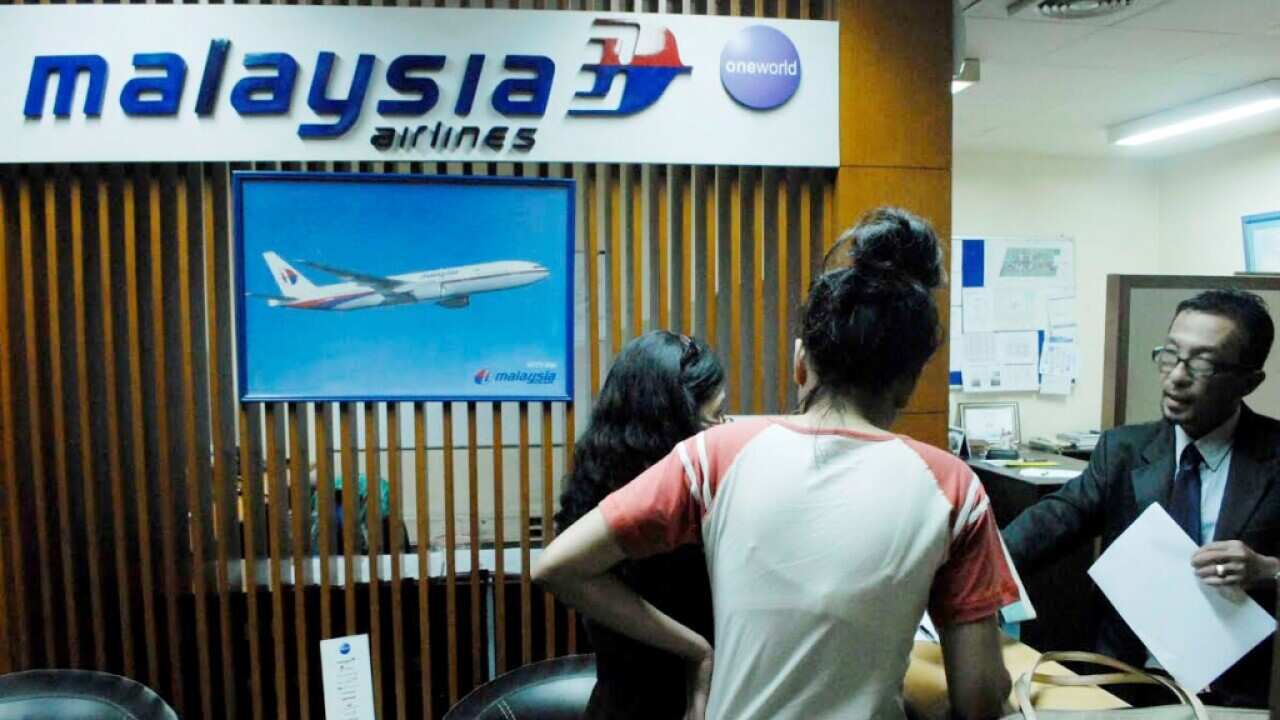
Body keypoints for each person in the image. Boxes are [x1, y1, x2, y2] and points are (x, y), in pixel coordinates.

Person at [534, 208, 1018, 720]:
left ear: (800, 361)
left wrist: (700, 653)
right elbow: (979, 701)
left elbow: (557, 566)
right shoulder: (952, 488)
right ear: (910, 378)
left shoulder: (714, 456)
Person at [1003, 288, 1280, 708]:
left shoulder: (1274, 457)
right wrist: (962, 574)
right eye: (1169, 355)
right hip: (1128, 684)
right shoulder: (1123, 451)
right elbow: (1052, 521)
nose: (1176, 376)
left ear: (1249, 380)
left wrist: (1268, 569)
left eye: (1202, 363)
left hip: (1242, 693)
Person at [555, 330, 727, 720]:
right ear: (673, 421)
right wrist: (697, 651)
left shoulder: (596, 480)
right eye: (714, 417)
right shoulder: (657, 507)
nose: (722, 430)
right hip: (663, 703)